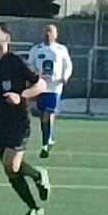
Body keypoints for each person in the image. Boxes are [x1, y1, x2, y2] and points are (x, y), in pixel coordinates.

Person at [0, 23, 52, 215]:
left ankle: (35, 199)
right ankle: (35, 193)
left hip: (18, 121)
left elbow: (41, 85)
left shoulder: (16, 62)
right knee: (10, 169)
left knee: (11, 165)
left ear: (6, 39)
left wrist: (20, 96)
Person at [28, 24, 75, 158]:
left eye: (51, 32)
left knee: (48, 113)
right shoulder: (36, 50)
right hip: (40, 86)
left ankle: (46, 142)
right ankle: (49, 138)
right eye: (46, 31)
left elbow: (68, 65)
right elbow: (30, 65)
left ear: (55, 35)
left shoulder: (61, 49)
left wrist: (65, 77)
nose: (48, 34)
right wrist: (34, 77)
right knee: (43, 115)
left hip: (54, 87)